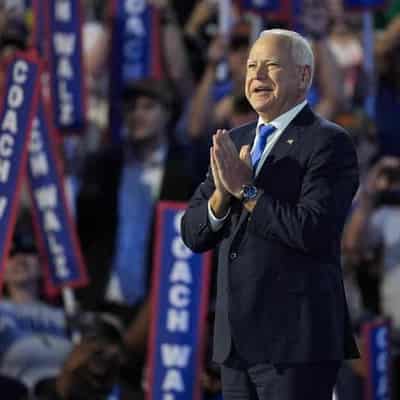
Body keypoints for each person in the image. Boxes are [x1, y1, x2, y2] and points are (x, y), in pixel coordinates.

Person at [181, 29, 360, 399]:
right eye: (251, 66)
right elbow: (193, 233)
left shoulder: (329, 142)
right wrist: (221, 196)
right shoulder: (235, 141)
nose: (257, 76)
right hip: (236, 346)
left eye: (272, 65)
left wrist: (246, 191)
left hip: (296, 345)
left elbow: (312, 230)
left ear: (304, 76)